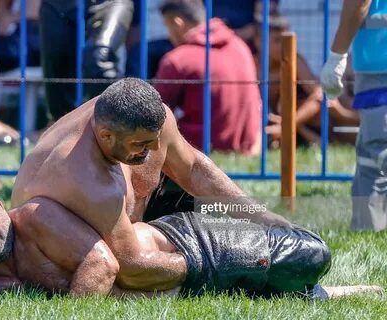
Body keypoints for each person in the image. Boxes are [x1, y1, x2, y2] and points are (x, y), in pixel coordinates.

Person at [10, 77, 290, 291]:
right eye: (141, 144)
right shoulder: (87, 180)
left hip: (127, 229)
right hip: (62, 262)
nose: (155, 148)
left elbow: (192, 168)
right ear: (106, 136)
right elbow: (131, 268)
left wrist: (261, 216)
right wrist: (215, 260)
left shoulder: (143, 119)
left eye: (155, 139)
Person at [0, 183, 383, 298]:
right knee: (264, 286)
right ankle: (325, 296)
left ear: (2, 206)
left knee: (311, 253)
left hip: (194, 242)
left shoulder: (35, 218)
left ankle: (267, 217)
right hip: (185, 280)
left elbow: (102, 266)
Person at [154, 0, 261, 154]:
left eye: (167, 27)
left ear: (178, 23)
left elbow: (154, 112)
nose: (169, 34)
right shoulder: (239, 45)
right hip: (248, 146)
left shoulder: (177, 59)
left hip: (200, 147)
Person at [320, 0, 387, 231]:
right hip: (376, 61)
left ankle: (368, 228)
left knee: (377, 153)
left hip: (380, 62)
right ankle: (366, 227)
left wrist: (337, 55)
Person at [252, 14, 359, 147]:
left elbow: (319, 94)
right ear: (258, 40)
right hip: (262, 118)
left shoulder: (294, 61)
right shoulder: (251, 65)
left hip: (298, 119)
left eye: (288, 40)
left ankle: (286, 130)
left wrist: (287, 124)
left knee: (315, 103)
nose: (284, 46)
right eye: (277, 40)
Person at [39, 0, 133, 120]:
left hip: (110, 2)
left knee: (99, 57)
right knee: (57, 76)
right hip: (57, 6)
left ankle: (117, 123)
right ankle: (67, 131)